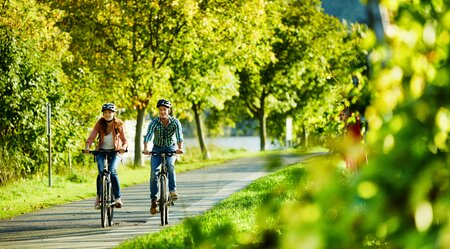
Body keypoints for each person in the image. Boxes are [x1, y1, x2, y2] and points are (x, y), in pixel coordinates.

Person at [83, 103, 128, 209]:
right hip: (101, 151)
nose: (107, 114)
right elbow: (92, 135)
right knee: (101, 171)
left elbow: (124, 140)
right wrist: (87, 146)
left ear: (114, 113)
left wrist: (124, 147)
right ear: (103, 114)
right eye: (105, 113)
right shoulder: (100, 123)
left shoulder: (118, 124)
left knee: (112, 171)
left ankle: (118, 198)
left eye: (110, 112)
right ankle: (99, 197)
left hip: (115, 151)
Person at [143, 99, 184, 215]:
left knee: (170, 165)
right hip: (157, 148)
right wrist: (146, 148)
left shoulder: (175, 122)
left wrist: (180, 148)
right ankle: (153, 200)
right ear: (158, 111)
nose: (162, 112)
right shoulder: (154, 122)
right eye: (160, 110)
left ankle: (172, 191)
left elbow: (179, 135)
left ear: (168, 110)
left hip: (171, 148)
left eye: (165, 110)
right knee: (153, 173)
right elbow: (148, 136)